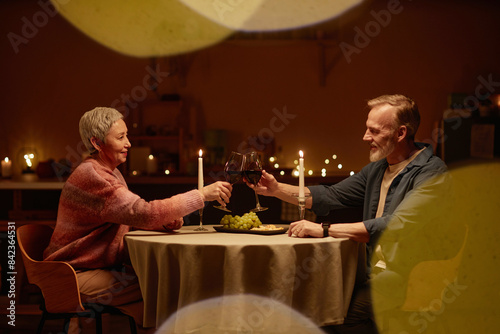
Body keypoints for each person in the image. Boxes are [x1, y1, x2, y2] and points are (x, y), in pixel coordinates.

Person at [246, 94, 448, 333]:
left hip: (411, 278)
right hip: (371, 272)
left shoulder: (432, 172)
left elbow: (395, 226)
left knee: (339, 315)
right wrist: (276, 189)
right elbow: (332, 195)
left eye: (373, 131)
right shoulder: (377, 169)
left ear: (401, 133)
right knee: (315, 300)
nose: (365, 137)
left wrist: (323, 230)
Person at [44, 107, 232, 331]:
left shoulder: (107, 171)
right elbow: (142, 212)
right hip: (70, 274)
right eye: (120, 137)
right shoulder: (94, 176)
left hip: (91, 268)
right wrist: (200, 195)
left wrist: (163, 221)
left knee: (162, 291)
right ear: (96, 143)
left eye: (127, 135)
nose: (129, 144)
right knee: (166, 287)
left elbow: (129, 215)